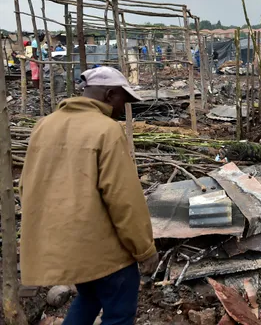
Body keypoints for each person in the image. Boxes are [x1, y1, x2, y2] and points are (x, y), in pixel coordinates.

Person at [19, 66, 158, 324]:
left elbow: (26, 186)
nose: (122, 108)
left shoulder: (44, 125)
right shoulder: (107, 130)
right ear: (109, 94)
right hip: (104, 250)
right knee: (119, 312)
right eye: (123, 100)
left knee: (89, 298)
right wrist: (145, 249)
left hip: (69, 247)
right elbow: (123, 199)